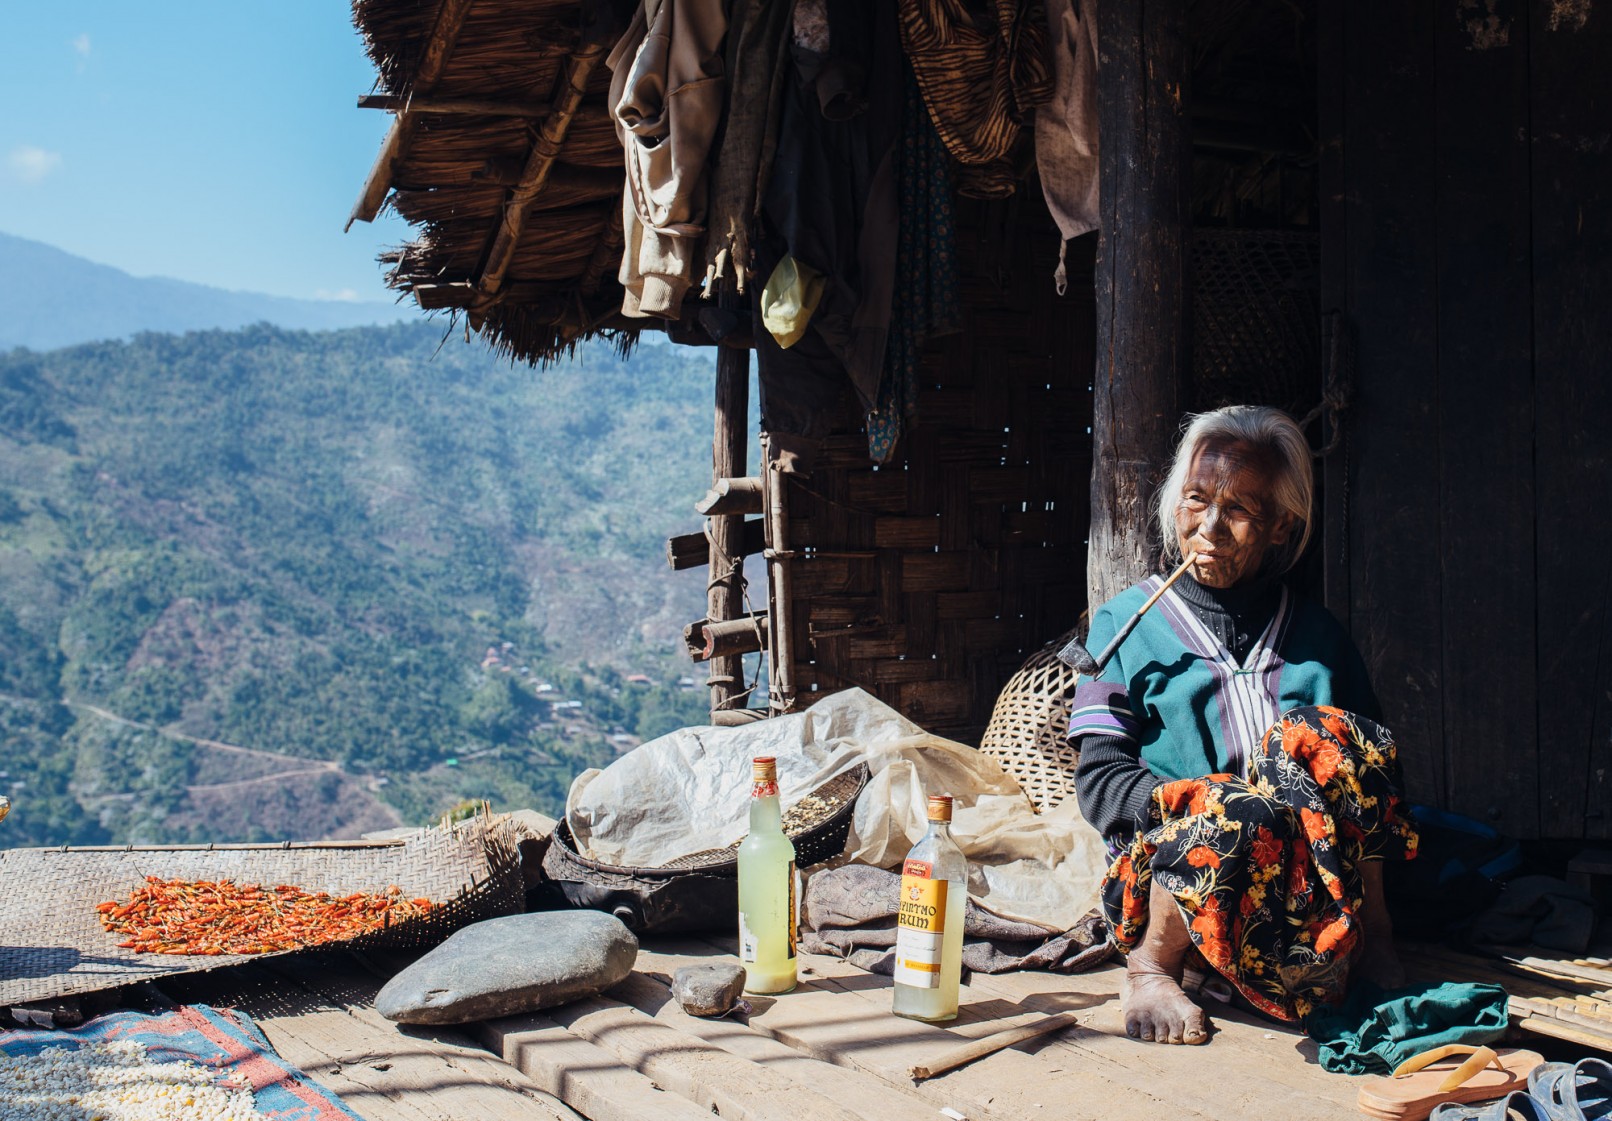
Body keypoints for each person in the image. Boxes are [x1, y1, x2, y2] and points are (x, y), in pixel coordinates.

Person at [1069, 405, 1418, 1045]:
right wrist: (1196, 802)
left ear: (1280, 526)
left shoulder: (1319, 635)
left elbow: (1372, 783)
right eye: (1195, 500)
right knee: (1234, 806)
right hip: (1179, 882)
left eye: (1237, 510)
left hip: (1306, 889)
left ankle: (1376, 938)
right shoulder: (1125, 626)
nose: (1209, 528)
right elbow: (1098, 781)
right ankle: (1153, 967)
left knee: (1340, 742)